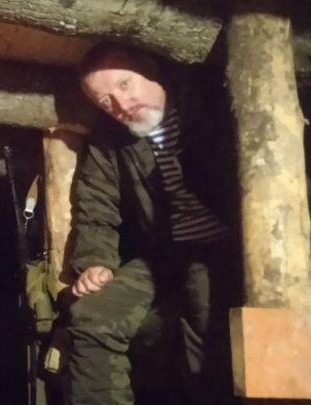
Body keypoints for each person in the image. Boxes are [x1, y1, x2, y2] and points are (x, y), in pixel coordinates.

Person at [66, 42, 243, 405]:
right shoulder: (110, 140)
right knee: (91, 316)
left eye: (125, 84)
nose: (121, 104)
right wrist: (95, 261)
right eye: (106, 101)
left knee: (205, 314)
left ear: (150, 68)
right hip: (159, 255)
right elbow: (97, 205)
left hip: (222, 247)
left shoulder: (212, 106)